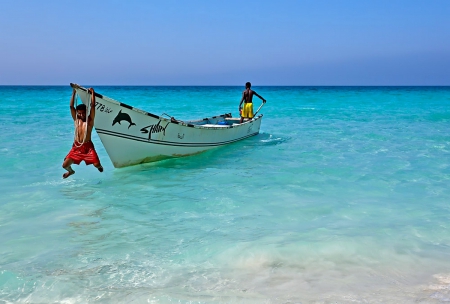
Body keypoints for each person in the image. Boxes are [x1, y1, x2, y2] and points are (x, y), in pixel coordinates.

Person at [62, 88, 103, 178]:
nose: (81, 115)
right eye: (79, 113)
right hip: (76, 147)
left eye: (83, 113)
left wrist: (92, 93)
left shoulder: (90, 121)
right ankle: (71, 172)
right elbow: (71, 107)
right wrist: (74, 92)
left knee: (97, 165)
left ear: (86, 112)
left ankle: (99, 166)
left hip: (88, 147)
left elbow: (93, 106)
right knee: (64, 165)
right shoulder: (76, 119)